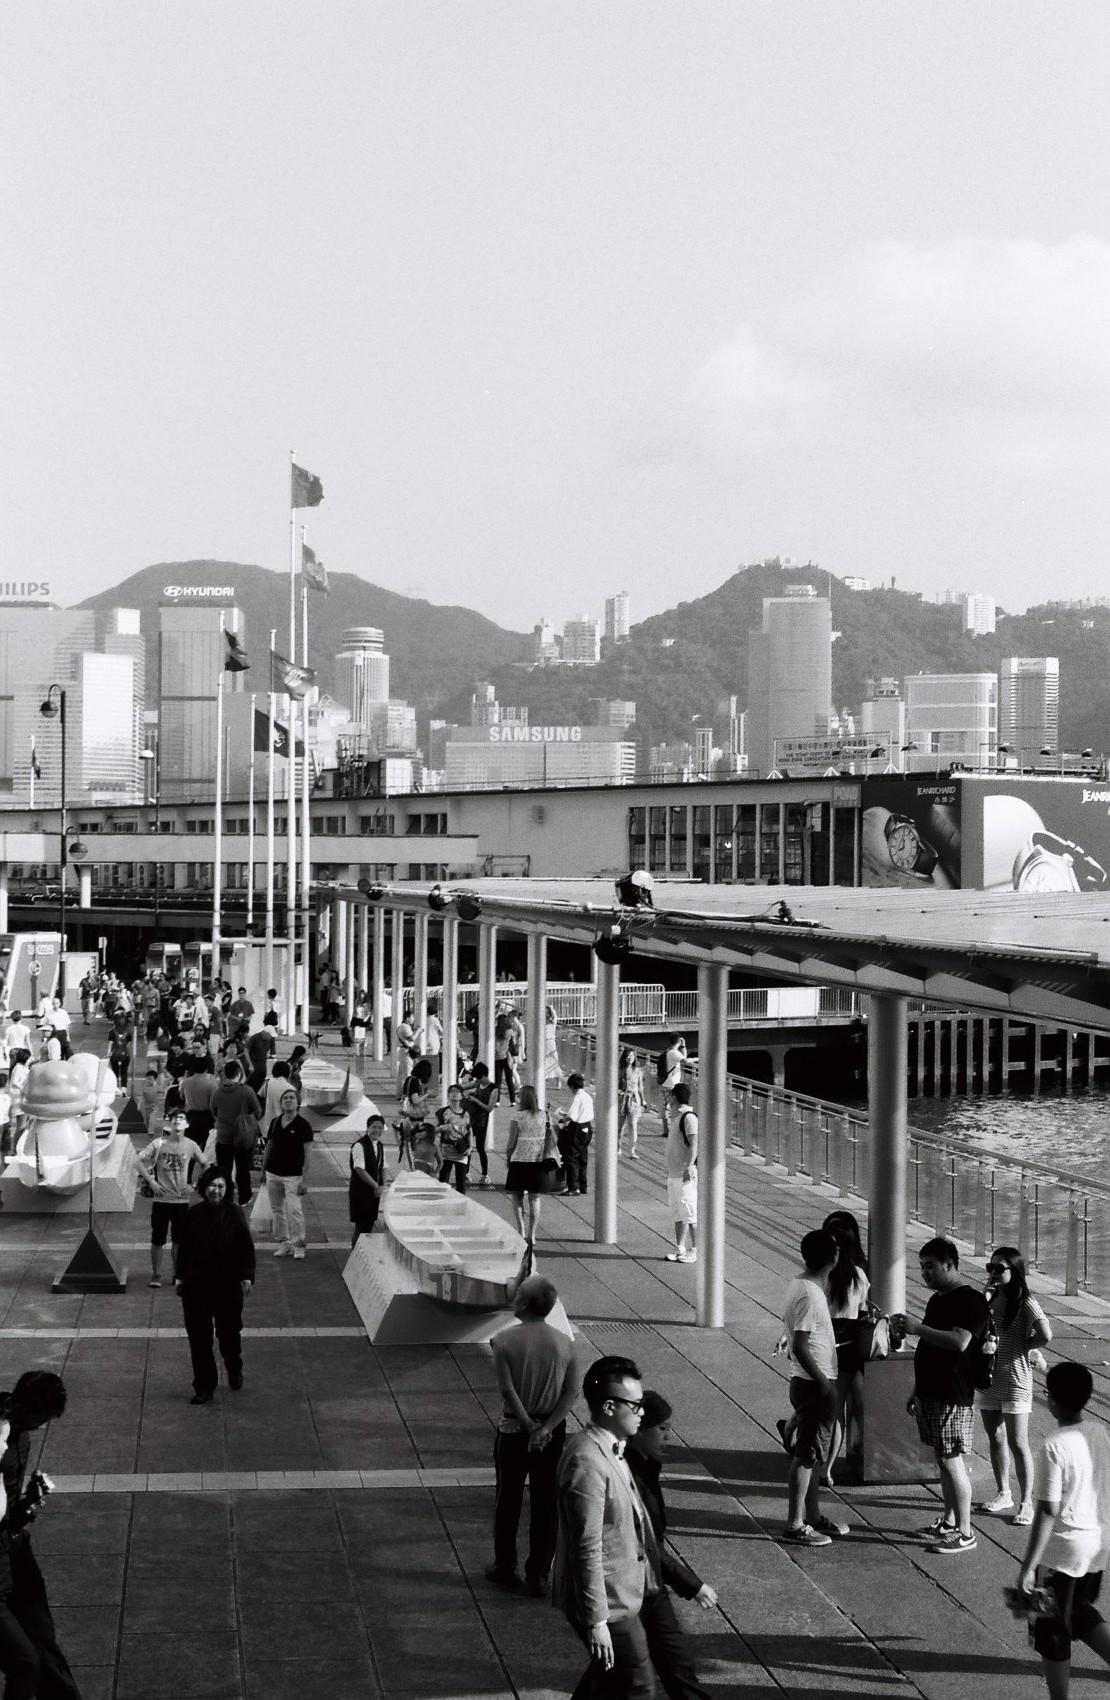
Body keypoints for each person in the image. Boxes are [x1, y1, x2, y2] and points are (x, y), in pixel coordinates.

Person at [553, 1354, 664, 1699]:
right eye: (636, 1405)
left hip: (624, 1591)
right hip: (609, 1602)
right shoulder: (587, 1461)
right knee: (639, 1686)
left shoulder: (612, 1448)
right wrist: (597, 1621)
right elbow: (586, 1547)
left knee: (604, 1683)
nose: (643, 1413)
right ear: (610, 1407)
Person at [1014, 1360, 1110, 1700]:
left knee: (1051, 1630)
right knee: (1079, 1613)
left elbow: (1048, 1510)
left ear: (1051, 1400)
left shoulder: (1053, 1444)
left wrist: (1028, 1567)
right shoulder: (1099, 1431)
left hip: (1064, 1550)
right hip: (1097, 1544)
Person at [487, 1274, 579, 1595]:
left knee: (508, 1497)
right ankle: (539, 1572)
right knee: (546, 1501)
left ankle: (505, 1564)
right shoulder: (565, 1343)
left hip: (514, 1428)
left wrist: (527, 1424)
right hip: (552, 1432)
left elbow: (507, 1389)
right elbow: (571, 1392)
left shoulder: (503, 1341)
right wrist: (546, 1428)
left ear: (523, 1303)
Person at [899, 1235, 991, 1554]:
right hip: (931, 1390)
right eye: (922, 1266)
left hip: (952, 1393)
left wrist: (917, 1328)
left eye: (930, 1266)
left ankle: (965, 1532)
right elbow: (930, 1345)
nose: (925, 1273)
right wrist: (916, 1389)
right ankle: (950, 1521)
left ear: (949, 1264)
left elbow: (959, 1341)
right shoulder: (937, 1300)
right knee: (942, 1459)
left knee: (952, 1460)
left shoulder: (971, 1301)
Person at [626, 1390, 717, 1699]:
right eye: (662, 1428)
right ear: (639, 1429)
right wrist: (693, 1585)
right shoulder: (629, 1475)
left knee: (679, 1669)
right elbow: (647, 1544)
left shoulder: (645, 1467)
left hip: (650, 1586)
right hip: (631, 1588)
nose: (668, 1435)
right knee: (615, 1678)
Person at [0, 1370, 81, 1700]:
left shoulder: (22, 1437)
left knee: (41, 1637)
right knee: (26, 1660)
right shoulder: (4, 1435)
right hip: (3, 1554)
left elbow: (9, 1507)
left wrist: (28, 1502)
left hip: (14, 1547)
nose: (42, 1425)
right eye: (41, 1417)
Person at [780, 1227, 847, 1547]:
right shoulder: (809, 1294)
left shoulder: (801, 1285)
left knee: (815, 1454)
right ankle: (795, 1524)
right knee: (806, 1455)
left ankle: (813, 1515)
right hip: (813, 1384)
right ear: (833, 1257)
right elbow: (800, 1344)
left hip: (809, 1382)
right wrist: (824, 1384)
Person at [979, 1244, 1052, 1524]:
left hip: (1015, 1380)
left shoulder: (1025, 1303)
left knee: (1018, 1443)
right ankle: (1004, 1493)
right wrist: (985, 1296)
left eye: (1000, 1268)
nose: (994, 1272)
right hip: (990, 1378)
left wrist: (1025, 1346)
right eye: (991, 1266)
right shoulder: (991, 1297)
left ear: (1015, 1271)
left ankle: (1026, 1502)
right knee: (995, 1436)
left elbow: (1046, 1334)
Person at [175, 1166, 256, 1403]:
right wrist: (180, 1277)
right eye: (212, 1185)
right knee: (199, 1339)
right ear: (204, 1188)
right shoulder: (193, 1214)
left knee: (228, 1336)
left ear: (227, 1189)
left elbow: (246, 1247)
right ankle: (204, 1386)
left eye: (221, 1186)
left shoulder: (234, 1214)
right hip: (196, 1287)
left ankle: (234, 1367)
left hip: (227, 1287)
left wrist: (246, 1276)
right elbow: (184, 1249)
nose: (216, 1190)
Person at [822, 1209, 872, 1482]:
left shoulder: (822, 1276)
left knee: (830, 1410)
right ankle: (833, 1466)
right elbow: (862, 1310)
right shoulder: (859, 1276)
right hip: (851, 1348)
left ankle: (824, 1467)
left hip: (826, 1346)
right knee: (844, 1409)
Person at [136, 1105, 205, 1287]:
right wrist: (151, 1181)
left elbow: (205, 1164)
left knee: (179, 1239)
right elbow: (136, 1160)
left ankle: (177, 1273)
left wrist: (194, 1185)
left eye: (181, 1118)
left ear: (187, 1124)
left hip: (181, 1201)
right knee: (158, 1239)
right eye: (174, 1118)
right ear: (169, 1123)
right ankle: (156, 1274)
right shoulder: (158, 1144)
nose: (177, 1121)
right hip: (161, 1199)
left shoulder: (191, 1145)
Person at [505, 1084, 562, 1244]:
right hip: (539, 1161)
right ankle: (532, 1233)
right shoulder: (545, 1116)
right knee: (534, 1198)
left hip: (519, 1160)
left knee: (517, 1196)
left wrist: (508, 1158)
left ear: (523, 1099)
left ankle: (521, 1230)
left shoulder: (517, 1117)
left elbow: (511, 1143)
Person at [261, 1086, 313, 1259]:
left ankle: (299, 1246)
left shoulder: (304, 1126)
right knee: (277, 1210)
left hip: (293, 1176)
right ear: (281, 1103)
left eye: (292, 1098)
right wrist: (263, 1169)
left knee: (294, 1211)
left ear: (298, 1103)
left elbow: (308, 1154)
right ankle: (284, 1243)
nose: (288, 1100)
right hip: (273, 1173)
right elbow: (269, 1146)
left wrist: (305, 1179)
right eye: (285, 1098)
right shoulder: (275, 1122)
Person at [211, 1059, 262, 1207]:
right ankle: (244, 1197)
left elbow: (213, 1112)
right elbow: (259, 1113)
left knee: (224, 1170)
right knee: (243, 1169)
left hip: (223, 1137)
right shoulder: (247, 1091)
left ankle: (225, 1198)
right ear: (239, 1073)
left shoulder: (217, 1092)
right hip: (243, 1138)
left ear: (225, 1074)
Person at [664, 1084, 698, 1264]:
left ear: (675, 1097)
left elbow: (694, 1144)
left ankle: (695, 1249)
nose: (668, 1098)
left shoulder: (689, 1118)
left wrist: (689, 1167)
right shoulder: (677, 1117)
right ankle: (680, 1248)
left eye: (670, 1095)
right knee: (678, 1214)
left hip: (685, 1175)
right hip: (674, 1174)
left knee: (690, 1213)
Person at [349, 1113, 388, 1245]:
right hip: (360, 1192)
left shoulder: (380, 1145)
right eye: (374, 1127)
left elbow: (384, 1167)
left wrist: (383, 1185)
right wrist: (376, 1186)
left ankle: (363, 1251)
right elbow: (359, 1169)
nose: (377, 1130)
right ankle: (355, 1252)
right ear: (368, 1128)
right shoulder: (359, 1145)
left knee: (369, 1225)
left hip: (374, 1193)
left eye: (380, 1128)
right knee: (361, 1226)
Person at [557, 1073, 594, 1198]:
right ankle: (583, 1186)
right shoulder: (588, 1097)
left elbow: (572, 1116)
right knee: (583, 1158)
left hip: (577, 1129)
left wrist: (562, 1119)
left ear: (572, 1086)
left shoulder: (577, 1097)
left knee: (571, 1158)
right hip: (587, 1127)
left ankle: (573, 1187)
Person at [462, 1061, 496, 1187]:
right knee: (468, 1145)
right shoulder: (477, 1083)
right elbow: (462, 1087)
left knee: (480, 1148)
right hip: (472, 1119)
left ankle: (484, 1174)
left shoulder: (493, 1089)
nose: (478, 1080)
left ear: (484, 1075)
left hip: (482, 1121)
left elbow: (489, 1108)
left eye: (479, 1078)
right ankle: (466, 1173)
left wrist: (475, 1100)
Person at [437, 1083, 472, 1192]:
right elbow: (435, 1130)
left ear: (462, 1096)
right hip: (446, 1152)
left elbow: (469, 1132)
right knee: (443, 1182)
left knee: (461, 1184)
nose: (454, 1094)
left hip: (461, 1151)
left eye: (457, 1092)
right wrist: (441, 1128)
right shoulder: (443, 1112)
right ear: (448, 1095)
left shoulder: (466, 1114)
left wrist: (471, 1147)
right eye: (452, 1091)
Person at [658, 1035, 686, 1138]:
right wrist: (698, 1058)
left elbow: (683, 1058)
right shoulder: (674, 1053)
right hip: (672, 1085)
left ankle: (666, 1130)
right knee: (675, 1108)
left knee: (665, 1108)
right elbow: (685, 1060)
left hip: (664, 1083)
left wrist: (682, 1046)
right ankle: (674, 1130)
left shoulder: (667, 1052)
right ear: (679, 1042)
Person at [618, 1049, 644, 1160]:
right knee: (620, 1127)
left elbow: (640, 1087)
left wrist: (643, 1100)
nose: (630, 1058)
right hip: (621, 1099)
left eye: (632, 1056)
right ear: (624, 1057)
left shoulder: (637, 1070)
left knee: (633, 1125)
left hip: (634, 1100)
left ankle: (632, 1151)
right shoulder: (619, 1070)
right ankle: (618, 1147)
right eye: (628, 1055)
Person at [493, 1010, 519, 1105]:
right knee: (509, 1080)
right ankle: (512, 1101)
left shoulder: (495, 1031)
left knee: (497, 1081)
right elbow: (513, 1044)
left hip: (496, 1057)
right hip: (507, 1057)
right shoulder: (510, 1032)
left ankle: (497, 1101)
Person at [543, 1004, 564, 1088]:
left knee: (554, 1061)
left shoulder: (552, 1021)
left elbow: (555, 1016)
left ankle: (558, 1080)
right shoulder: (541, 1021)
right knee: (543, 1061)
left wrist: (551, 1008)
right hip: (543, 1042)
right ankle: (543, 1078)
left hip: (550, 1042)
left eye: (546, 1012)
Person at [351, 990, 370, 1059]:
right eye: (360, 994)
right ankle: (356, 1051)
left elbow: (368, 1013)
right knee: (356, 1036)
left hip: (363, 1020)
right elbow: (354, 1011)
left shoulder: (366, 1003)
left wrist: (366, 1019)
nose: (361, 996)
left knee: (362, 1036)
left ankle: (361, 1051)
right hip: (356, 1019)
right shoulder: (356, 1001)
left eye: (363, 994)